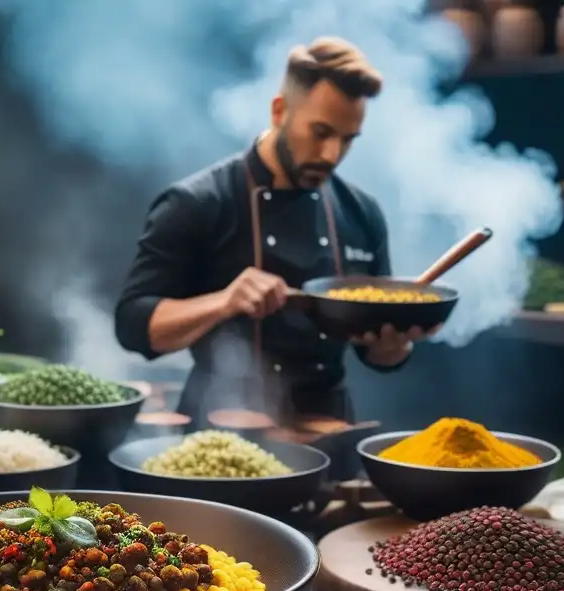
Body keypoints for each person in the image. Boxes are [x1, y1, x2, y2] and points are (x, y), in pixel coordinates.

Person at [115, 36, 436, 428]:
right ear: (279, 110)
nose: (332, 155)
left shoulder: (362, 213)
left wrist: (394, 346)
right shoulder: (198, 202)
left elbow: (377, 354)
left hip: (328, 428)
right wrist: (224, 301)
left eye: (347, 139)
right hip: (221, 430)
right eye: (320, 133)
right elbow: (133, 326)